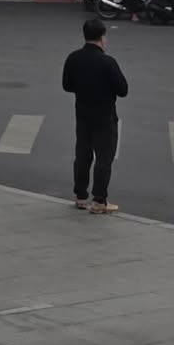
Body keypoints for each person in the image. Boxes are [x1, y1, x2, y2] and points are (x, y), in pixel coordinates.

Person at [62, 17, 128, 213]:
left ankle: (81, 196)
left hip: (82, 114)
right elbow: (123, 90)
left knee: (82, 155)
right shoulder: (107, 62)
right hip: (104, 116)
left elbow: (67, 86)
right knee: (103, 159)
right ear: (102, 37)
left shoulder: (73, 58)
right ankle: (99, 201)